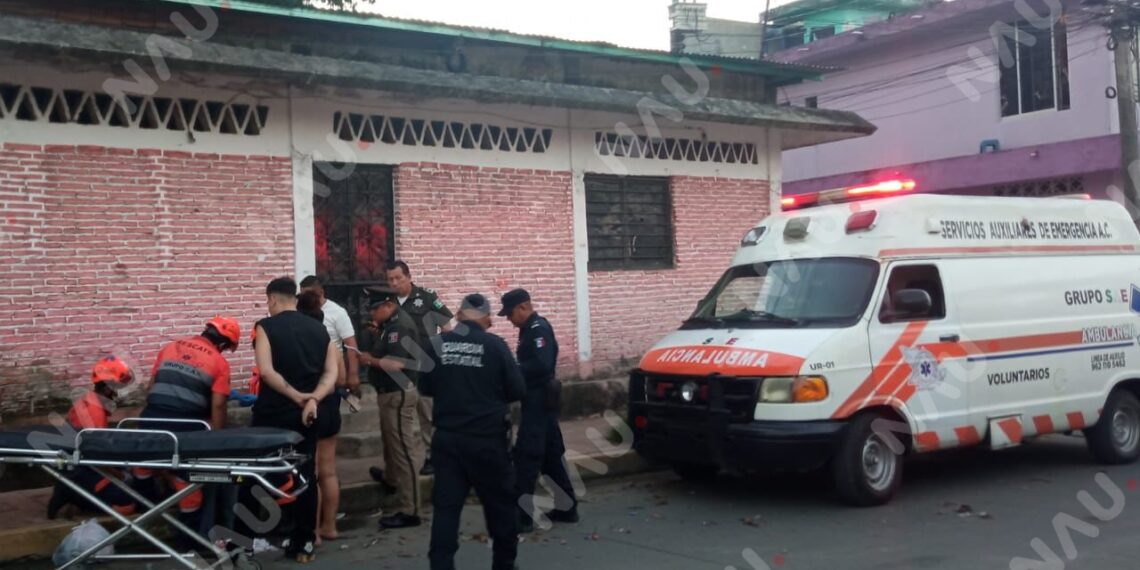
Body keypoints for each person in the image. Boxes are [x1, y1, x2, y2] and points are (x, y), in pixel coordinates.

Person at [232, 277, 338, 565]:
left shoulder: (265, 327)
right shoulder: (319, 329)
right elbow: (331, 374)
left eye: (268, 301)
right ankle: (304, 542)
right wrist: (313, 399)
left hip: (273, 414)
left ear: (274, 300)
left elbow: (265, 372)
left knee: (254, 476)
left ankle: (242, 543)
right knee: (305, 476)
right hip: (308, 416)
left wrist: (296, 396)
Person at [422, 293, 525, 570]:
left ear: (459, 315)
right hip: (487, 442)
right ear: (485, 317)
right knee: (500, 509)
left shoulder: (437, 345)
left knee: (446, 510)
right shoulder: (495, 346)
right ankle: (504, 564)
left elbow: (425, 387)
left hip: (447, 440)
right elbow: (517, 389)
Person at [135, 317, 240, 536]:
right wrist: (216, 439)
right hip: (186, 426)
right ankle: (190, 535)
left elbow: (151, 387)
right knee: (188, 478)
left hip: (150, 419)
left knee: (144, 464)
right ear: (222, 343)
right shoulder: (219, 363)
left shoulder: (170, 347)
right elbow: (219, 405)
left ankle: (143, 502)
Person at [500, 289, 579, 533]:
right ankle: (567, 507)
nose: (509, 320)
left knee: (527, 457)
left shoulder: (538, 329)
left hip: (539, 402)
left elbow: (542, 366)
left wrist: (514, 369)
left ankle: (521, 516)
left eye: (511, 314)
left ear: (523, 307)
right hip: (538, 402)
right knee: (550, 456)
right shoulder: (528, 329)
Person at [357, 287, 425, 529]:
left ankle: (411, 510)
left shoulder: (399, 326)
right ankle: (391, 478)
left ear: (388, 304)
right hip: (389, 393)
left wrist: (369, 361)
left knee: (404, 452)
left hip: (398, 394)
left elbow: (396, 363)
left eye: (376, 309)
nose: (373, 313)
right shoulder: (390, 325)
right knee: (390, 442)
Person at [384, 260, 453, 476]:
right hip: (398, 369)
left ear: (409, 276)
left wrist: (439, 355)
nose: (394, 283)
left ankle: (433, 457)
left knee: (427, 415)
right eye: (390, 279)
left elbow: (446, 326)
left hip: (424, 367)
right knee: (398, 420)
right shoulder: (388, 302)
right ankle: (396, 468)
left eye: (398, 278)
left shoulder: (426, 297)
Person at [46, 356, 136, 519]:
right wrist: (121, 476)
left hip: (74, 465)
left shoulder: (87, 400)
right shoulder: (95, 413)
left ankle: (72, 493)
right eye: (120, 386)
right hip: (84, 470)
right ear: (109, 388)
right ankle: (79, 499)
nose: (122, 391)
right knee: (127, 505)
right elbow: (96, 458)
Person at [296, 289, 350, 543]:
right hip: (330, 406)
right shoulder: (331, 344)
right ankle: (330, 526)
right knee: (329, 471)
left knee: (312, 470)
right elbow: (340, 379)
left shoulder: (299, 342)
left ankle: (313, 531)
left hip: (309, 406)